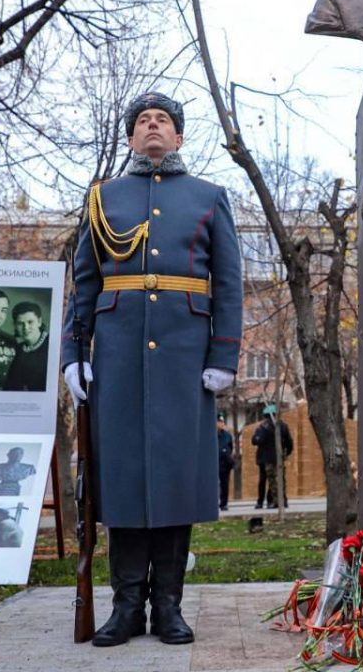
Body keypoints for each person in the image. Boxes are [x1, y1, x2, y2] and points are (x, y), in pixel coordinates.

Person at [61, 91, 243, 648]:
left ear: (180, 136)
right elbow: (85, 284)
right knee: (121, 482)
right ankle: (124, 607)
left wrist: (224, 356)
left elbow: (229, 283)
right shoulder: (103, 198)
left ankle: (168, 607)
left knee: (173, 482)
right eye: (143, 121)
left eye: (163, 120)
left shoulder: (210, 197)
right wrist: (74, 355)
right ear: (131, 137)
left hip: (186, 360)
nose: (153, 127)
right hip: (116, 359)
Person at [251, 405, 293, 509]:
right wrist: (286, 454)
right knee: (277, 479)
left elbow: (255, 441)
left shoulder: (262, 427)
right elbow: (290, 443)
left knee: (264, 480)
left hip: (264, 458)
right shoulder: (283, 426)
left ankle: (261, 501)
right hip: (278, 458)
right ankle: (273, 500)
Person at [3, 301, 50, 391]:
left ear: (39, 322)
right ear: (15, 326)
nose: (26, 328)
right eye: (20, 323)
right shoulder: (18, 349)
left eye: (30, 322)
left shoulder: (51, 345)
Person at [217, 415, 234, 511]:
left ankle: (224, 503)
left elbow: (230, 447)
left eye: (222, 421)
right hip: (215, 463)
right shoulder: (209, 434)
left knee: (224, 484)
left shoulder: (227, 435)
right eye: (219, 421)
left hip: (225, 463)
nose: (221, 423)